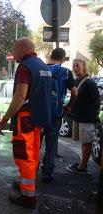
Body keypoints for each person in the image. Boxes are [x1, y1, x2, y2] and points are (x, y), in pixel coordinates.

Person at [0, 37, 52, 209]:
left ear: (23, 49)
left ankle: (28, 196)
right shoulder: (44, 66)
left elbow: (20, 96)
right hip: (39, 118)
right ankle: (25, 183)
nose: (14, 54)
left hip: (26, 119)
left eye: (15, 50)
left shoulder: (24, 67)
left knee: (24, 156)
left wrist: (5, 118)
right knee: (34, 153)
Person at [41, 48, 78, 183]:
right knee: (51, 145)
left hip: (40, 114)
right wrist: (68, 107)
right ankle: (47, 173)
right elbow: (74, 93)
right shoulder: (65, 72)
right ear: (63, 59)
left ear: (51, 56)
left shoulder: (42, 68)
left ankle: (31, 171)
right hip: (56, 114)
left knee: (35, 144)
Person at [67, 59, 100, 174]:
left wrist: (94, 112)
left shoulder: (89, 82)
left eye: (78, 66)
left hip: (87, 118)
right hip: (78, 117)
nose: (75, 68)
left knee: (87, 143)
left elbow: (97, 99)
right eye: (74, 66)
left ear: (84, 67)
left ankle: (82, 166)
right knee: (83, 142)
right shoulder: (76, 81)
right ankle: (83, 163)